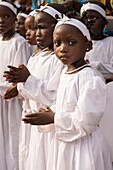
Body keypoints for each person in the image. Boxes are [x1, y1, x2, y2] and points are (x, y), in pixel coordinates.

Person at [3, 3, 67, 170]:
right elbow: (30, 87)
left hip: (47, 127)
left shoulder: (57, 59)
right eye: (34, 28)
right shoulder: (36, 56)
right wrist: (18, 87)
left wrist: (27, 79)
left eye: (42, 28)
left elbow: (53, 94)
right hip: (31, 123)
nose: (37, 33)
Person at [44, 16, 112, 170]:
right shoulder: (66, 73)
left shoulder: (90, 78)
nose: (63, 48)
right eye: (57, 43)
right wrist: (52, 110)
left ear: (87, 46)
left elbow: (85, 120)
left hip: (83, 145)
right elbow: (66, 103)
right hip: (65, 141)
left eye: (71, 43)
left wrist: (53, 117)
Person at [0, 0, 30, 170]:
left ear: (15, 19)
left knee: (13, 137)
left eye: (6, 16)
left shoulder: (19, 43)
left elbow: (18, 76)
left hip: (11, 101)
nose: (1, 20)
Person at [80, 1, 113, 82]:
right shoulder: (78, 45)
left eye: (94, 18)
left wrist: (92, 66)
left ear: (104, 22)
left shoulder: (111, 42)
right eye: (85, 19)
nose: (89, 22)